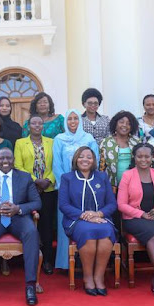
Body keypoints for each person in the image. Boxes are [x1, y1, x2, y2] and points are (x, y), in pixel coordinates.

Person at [0, 148, 42, 306]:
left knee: (31, 232)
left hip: (18, 217)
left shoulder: (25, 177)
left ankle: (30, 286)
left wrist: (18, 208)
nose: (5, 161)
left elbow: (37, 202)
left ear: (13, 160)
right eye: (2, 158)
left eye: (9, 158)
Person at [118, 143, 154, 301]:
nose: (143, 159)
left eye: (147, 156)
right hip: (135, 219)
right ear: (134, 158)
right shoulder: (127, 175)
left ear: (152, 158)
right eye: (139, 156)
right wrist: (142, 214)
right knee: (151, 234)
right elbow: (121, 205)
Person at [59, 146, 117, 296]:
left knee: (106, 232)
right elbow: (64, 205)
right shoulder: (67, 178)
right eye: (81, 156)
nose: (85, 159)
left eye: (89, 157)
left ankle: (99, 277)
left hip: (102, 219)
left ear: (94, 161)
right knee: (89, 231)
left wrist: (98, 213)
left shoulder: (102, 177)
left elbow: (112, 203)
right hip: (76, 220)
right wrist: (85, 215)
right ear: (76, 159)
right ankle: (87, 277)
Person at [52, 109, 99, 270]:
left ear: (80, 120)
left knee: (88, 219)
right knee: (67, 222)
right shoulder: (59, 139)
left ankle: (87, 261)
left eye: (75, 119)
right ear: (65, 122)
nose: (73, 122)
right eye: (69, 119)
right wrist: (65, 186)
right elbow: (56, 165)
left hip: (87, 188)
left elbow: (95, 161)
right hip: (66, 188)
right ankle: (65, 263)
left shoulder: (88, 138)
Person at [14, 115, 57, 275]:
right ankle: (28, 260)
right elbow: (18, 166)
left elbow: (56, 164)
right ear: (28, 126)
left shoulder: (51, 142)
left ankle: (47, 260)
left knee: (46, 226)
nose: (37, 126)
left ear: (43, 126)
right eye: (34, 123)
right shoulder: (20, 143)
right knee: (29, 225)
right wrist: (35, 181)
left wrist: (48, 180)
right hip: (28, 190)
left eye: (40, 123)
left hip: (48, 189)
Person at [99, 110, 141, 189]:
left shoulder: (137, 142)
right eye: (121, 122)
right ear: (115, 124)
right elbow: (101, 167)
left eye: (129, 123)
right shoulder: (105, 142)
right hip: (110, 186)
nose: (125, 125)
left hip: (133, 186)